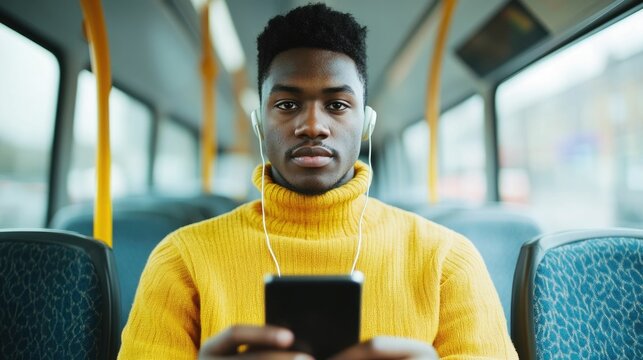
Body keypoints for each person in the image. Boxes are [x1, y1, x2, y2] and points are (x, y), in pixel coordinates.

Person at [118, 3, 518, 359]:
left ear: (366, 122)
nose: (312, 126)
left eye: (337, 105)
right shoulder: (181, 261)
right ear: (259, 123)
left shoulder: (447, 262)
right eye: (287, 104)